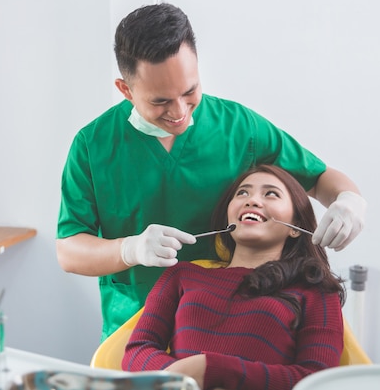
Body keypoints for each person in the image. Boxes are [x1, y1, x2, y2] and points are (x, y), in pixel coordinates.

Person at [56, 2, 365, 341]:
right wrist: (128, 250)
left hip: (227, 326)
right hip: (132, 329)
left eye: (190, 92)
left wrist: (349, 202)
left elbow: (320, 178)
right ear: (125, 89)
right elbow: (70, 250)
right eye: (160, 101)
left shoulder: (238, 127)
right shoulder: (93, 145)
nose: (180, 112)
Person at [122, 164, 346, 390]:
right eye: (243, 193)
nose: (252, 201)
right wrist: (183, 380)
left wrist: (212, 369)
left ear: (295, 227)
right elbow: (137, 351)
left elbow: (318, 380)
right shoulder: (181, 275)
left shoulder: (316, 290)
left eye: (271, 194)